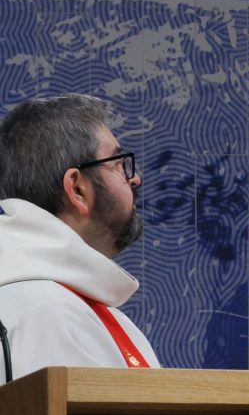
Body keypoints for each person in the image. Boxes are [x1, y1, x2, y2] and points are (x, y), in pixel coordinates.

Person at [0, 93, 159, 384]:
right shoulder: (48, 312)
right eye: (118, 164)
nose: (135, 178)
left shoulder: (61, 304)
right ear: (77, 189)